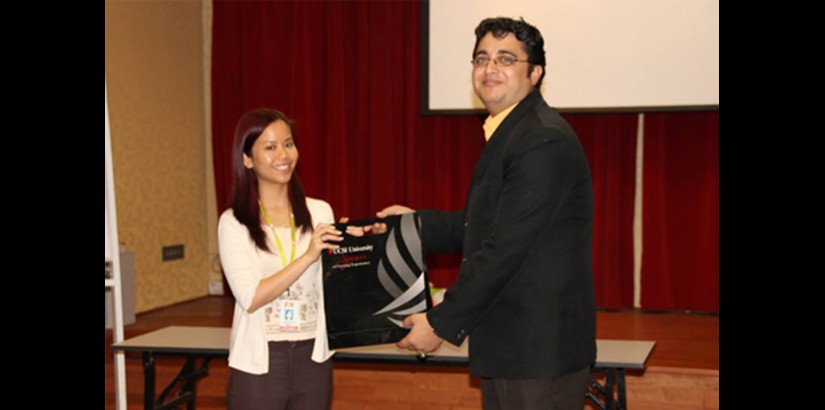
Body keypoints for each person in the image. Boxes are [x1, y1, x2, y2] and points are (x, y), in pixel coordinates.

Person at [378, 17, 597, 409]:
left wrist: (439, 322)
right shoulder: (512, 130)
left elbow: (504, 248)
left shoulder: (541, 138)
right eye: (481, 58)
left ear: (535, 72)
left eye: (505, 59)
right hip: (515, 349)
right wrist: (409, 226)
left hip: (537, 354)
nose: (490, 68)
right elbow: (479, 226)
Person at [219, 108, 363, 410]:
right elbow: (250, 296)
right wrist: (308, 255)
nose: (283, 155)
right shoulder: (234, 222)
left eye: (288, 144)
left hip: (313, 356)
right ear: (247, 159)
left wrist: (355, 248)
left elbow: (334, 287)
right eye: (270, 147)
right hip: (260, 361)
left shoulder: (320, 212)